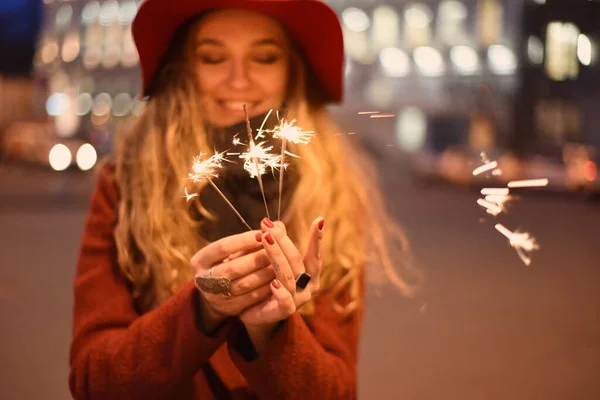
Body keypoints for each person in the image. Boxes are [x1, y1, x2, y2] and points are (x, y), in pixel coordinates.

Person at [68, 0, 416, 398]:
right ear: (183, 70)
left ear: (291, 71)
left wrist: (273, 333)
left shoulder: (332, 194)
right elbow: (94, 382)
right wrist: (202, 310)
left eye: (265, 57)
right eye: (213, 58)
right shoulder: (126, 186)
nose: (238, 80)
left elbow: (336, 392)